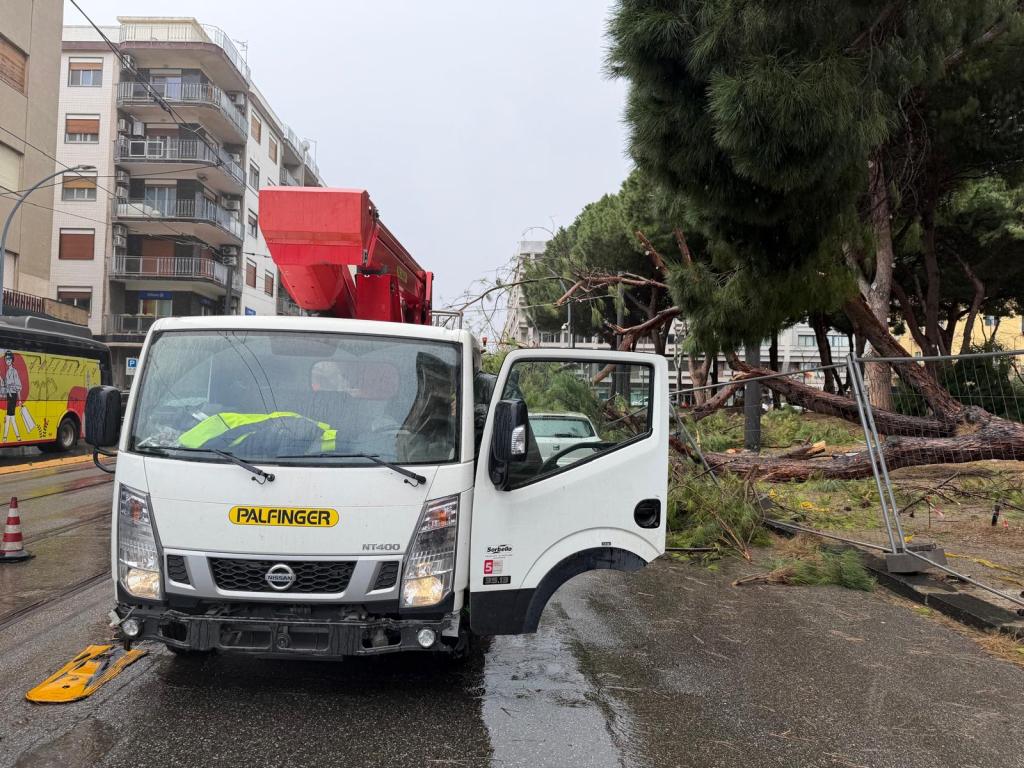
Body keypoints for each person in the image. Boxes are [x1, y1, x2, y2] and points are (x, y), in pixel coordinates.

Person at [3, 350, 22, 441]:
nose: (7, 361)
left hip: (13, 396)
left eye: (9, 359)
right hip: (9, 396)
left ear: (12, 360)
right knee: (11, 417)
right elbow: (6, 385)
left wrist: (20, 399)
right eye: (6, 359)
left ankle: (5, 437)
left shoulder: (14, 371)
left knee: (9, 416)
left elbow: (18, 386)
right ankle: (17, 437)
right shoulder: (7, 372)